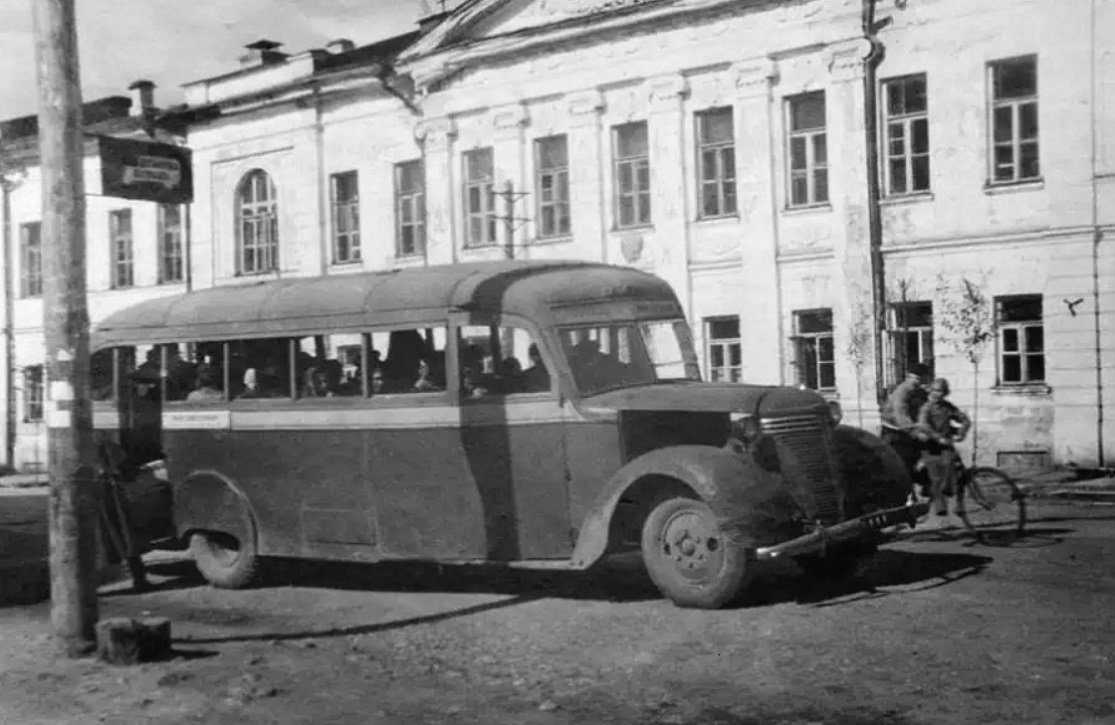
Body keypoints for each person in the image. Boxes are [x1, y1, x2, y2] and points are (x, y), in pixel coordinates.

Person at [915, 378, 971, 516]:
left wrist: (962, 433)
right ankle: (940, 506)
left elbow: (964, 419)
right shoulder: (926, 408)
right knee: (936, 478)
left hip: (946, 446)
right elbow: (923, 425)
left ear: (945, 392)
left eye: (940, 391)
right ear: (930, 391)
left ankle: (958, 504)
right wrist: (937, 437)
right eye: (935, 390)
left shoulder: (948, 407)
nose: (937, 394)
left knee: (956, 472)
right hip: (930, 447)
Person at [880, 362, 930, 482]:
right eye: (914, 378)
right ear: (908, 377)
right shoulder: (902, 392)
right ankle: (907, 495)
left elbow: (927, 408)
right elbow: (901, 416)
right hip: (895, 432)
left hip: (908, 430)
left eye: (920, 378)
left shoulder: (920, 392)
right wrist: (916, 432)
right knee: (905, 462)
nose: (916, 381)